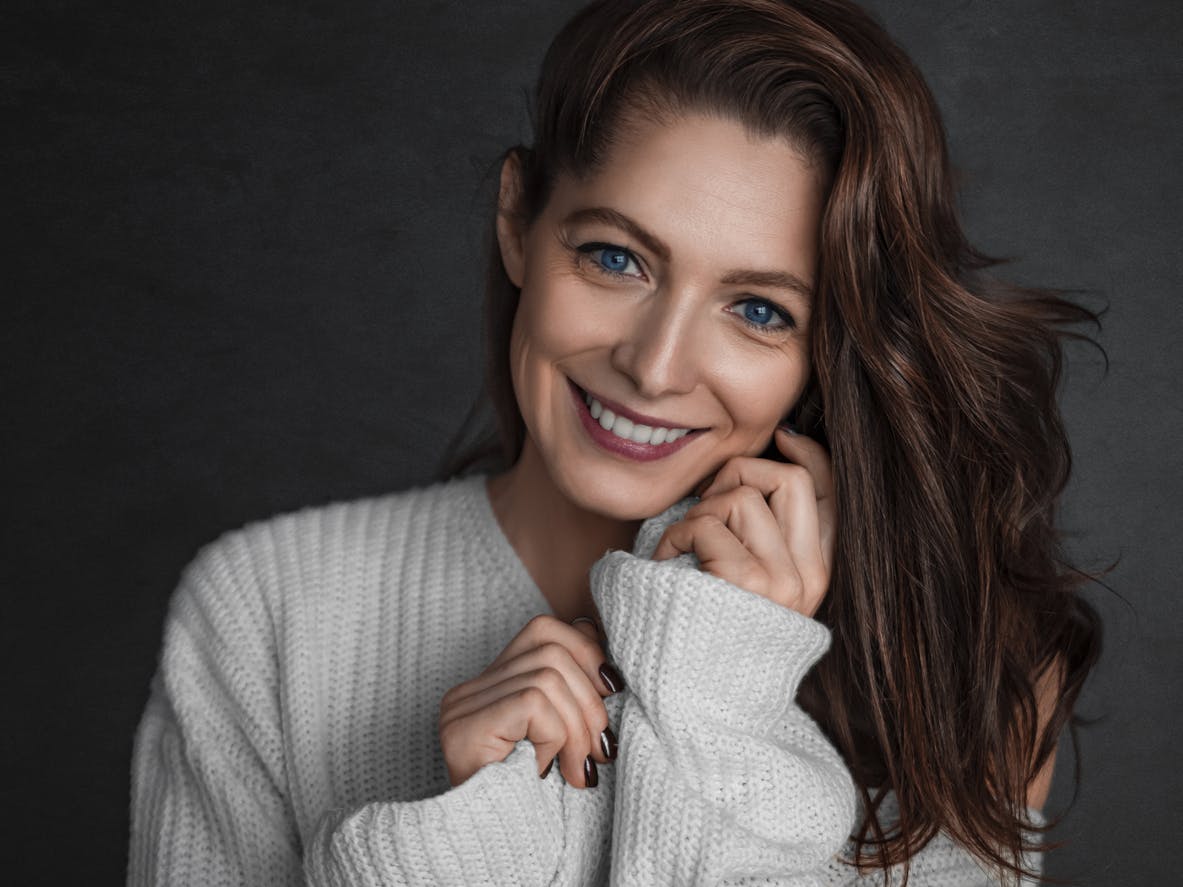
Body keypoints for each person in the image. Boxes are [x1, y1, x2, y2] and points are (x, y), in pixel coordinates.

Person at [127, 0, 1102, 884]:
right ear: (518, 219)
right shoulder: (270, 610)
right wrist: (475, 831)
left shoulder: (968, 672)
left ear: (830, 347)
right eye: (614, 257)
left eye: (759, 309)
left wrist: (723, 696)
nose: (657, 365)